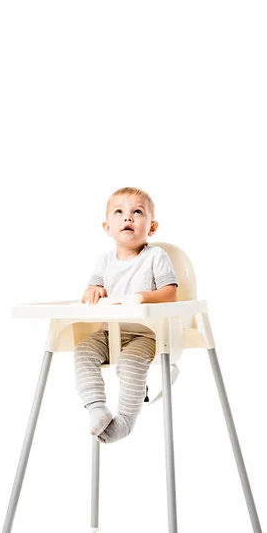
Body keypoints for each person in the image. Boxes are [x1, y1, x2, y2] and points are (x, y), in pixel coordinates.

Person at [74, 187, 179, 444]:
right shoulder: (104, 261)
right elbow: (90, 291)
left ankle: (125, 421)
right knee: (83, 351)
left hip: (147, 334)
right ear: (107, 227)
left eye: (137, 212)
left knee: (130, 363)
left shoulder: (156, 256)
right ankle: (97, 407)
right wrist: (94, 289)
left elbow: (170, 293)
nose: (128, 218)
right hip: (109, 331)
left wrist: (142, 297)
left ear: (152, 228)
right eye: (119, 212)